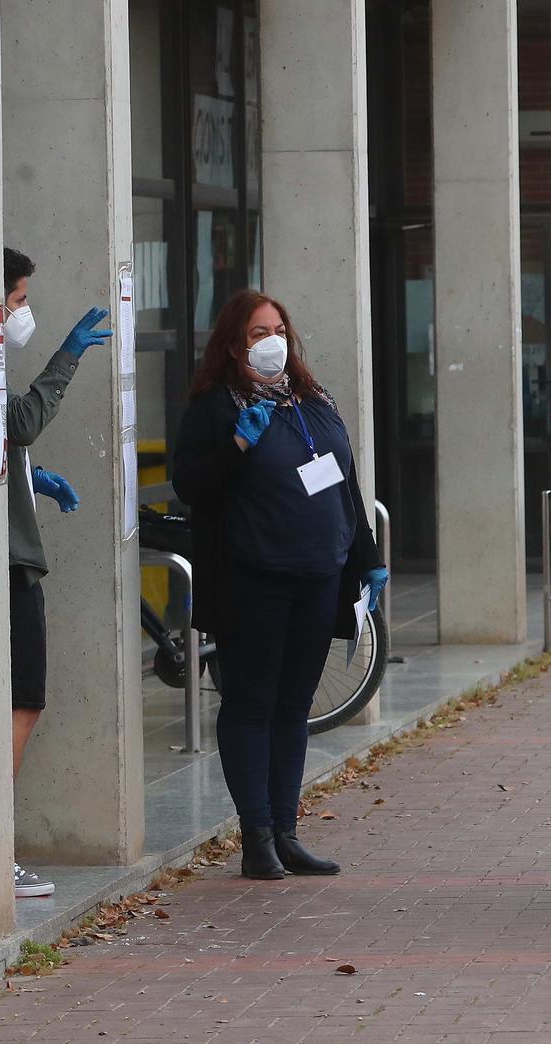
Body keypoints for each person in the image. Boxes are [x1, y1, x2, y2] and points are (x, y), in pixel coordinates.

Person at [172, 289, 387, 881]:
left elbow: (343, 481)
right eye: (257, 334)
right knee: (252, 702)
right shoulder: (215, 407)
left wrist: (366, 555)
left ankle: (287, 831)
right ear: (233, 346)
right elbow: (192, 484)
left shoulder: (312, 399)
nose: (272, 343)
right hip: (252, 579)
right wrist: (239, 442)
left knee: (294, 706)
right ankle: (257, 836)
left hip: (319, 575)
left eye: (279, 331)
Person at [1, 247, 112, 899]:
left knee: (22, 704)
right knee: (20, 703)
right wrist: (68, 355)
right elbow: (22, 420)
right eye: (17, 300)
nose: (24, 313)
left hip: (14, 555)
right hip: (8, 566)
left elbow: (2, 444)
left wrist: (27, 478)